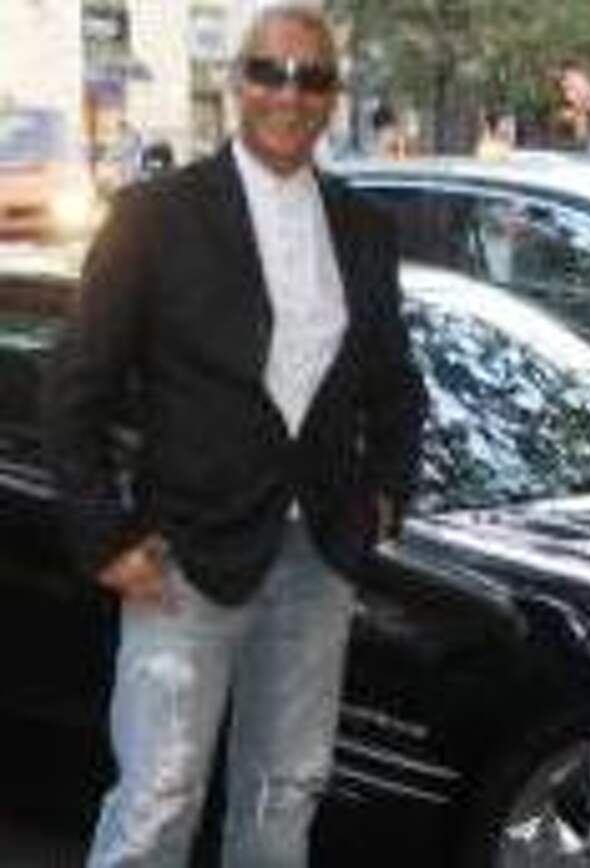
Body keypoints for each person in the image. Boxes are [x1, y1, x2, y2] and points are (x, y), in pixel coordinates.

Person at [43, 4, 427, 867]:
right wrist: (103, 537)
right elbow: (74, 386)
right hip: (182, 558)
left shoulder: (364, 228)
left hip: (317, 556)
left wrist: (388, 493)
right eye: (269, 72)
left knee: (285, 794)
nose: (289, 94)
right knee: (156, 803)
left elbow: (396, 383)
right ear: (235, 83)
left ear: (333, 97)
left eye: (312, 78)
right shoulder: (155, 216)